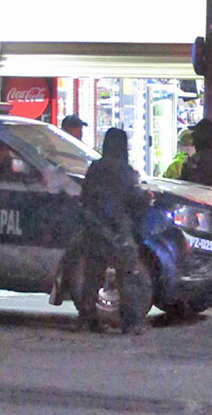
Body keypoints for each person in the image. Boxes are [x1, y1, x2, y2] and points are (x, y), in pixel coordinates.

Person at [77, 128, 151, 334]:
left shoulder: (95, 168)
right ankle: (131, 322)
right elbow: (134, 200)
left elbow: (85, 198)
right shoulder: (125, 171)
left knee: (92, 275)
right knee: (127, 276)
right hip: (119, 230)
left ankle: (87, 319)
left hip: (94, 228)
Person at [180, 118, 212, 189]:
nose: (193, 139)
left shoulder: (199, 160)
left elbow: (188, 185)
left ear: (200, 137)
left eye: (195, 134)